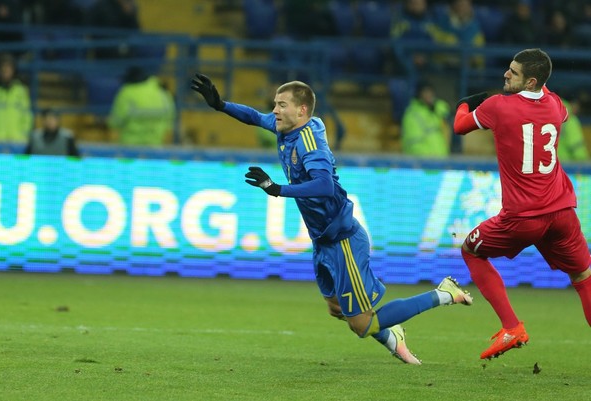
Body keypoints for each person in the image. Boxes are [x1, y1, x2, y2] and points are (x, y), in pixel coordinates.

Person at [191, 73, 473, 365]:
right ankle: (394, 337)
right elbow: (254, 116)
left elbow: (324, 185)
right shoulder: (288, 126)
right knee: (336, 307)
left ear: (302, 110)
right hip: (322, 239)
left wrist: (276, 189)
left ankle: (443, 294)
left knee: (362, 324)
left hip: (342, 240)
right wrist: (221, 105)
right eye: (275, 104)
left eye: (282, 105)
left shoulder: (310, 144)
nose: (274, 111)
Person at [453, 48, 591, 360]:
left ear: (530, 81)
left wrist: (465, 103)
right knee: (584, 278)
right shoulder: (556, 105)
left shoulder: (498, 107)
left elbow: (460, 126)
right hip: (562, 212)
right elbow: (549, 97)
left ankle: (512, 327)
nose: (506, 74)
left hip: (523, 218)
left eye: (513, 72)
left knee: (471, 251)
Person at [107, 66, 175, 147]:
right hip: (156, 145)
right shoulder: (162, 92)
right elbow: (170, 119)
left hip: (130, 146)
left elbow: (116, 122)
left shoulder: (126, 92)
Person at [400, 81, 451, 158]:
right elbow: (414, 145)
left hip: (441, 159)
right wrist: (428, 160)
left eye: (430, 92)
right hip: (423, 161)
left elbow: (443, 108)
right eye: (425, 92)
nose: (429, 95)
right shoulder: (412, 115)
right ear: (419, 95)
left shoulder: (434, 110)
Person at [558, 96, 591, 162]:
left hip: (548, 164)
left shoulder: (547, 116)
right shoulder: (571, 120)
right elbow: (577, 146)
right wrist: (585, 162)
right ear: (571, 104)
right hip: (568, 164)